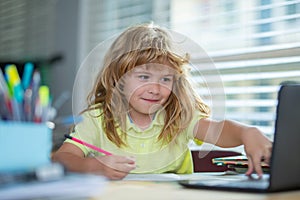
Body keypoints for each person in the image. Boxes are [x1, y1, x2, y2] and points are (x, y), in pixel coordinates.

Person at [52, 23, 272, 180]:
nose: (156, 89)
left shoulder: (179, 117)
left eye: (165, 79)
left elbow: (218, 130)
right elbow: (63, 157)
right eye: (144, 77)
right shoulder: (98, 119)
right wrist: (91, 166)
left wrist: (246, 133)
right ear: (117, 78)